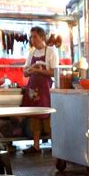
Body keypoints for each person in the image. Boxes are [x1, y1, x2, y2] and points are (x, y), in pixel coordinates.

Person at [21, 26, 59, 154]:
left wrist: (38, 70)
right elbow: (25, 73)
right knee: (34, 117)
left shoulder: (51, 52)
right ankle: (36, 146)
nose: (32, 39)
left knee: (48, 117)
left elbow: (54, 72)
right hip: (33, 90)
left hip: (45, 90)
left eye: (35, 37)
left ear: (42, 37)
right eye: (31, 37)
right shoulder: (31, 53)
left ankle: (56, 146)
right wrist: (31, 68)